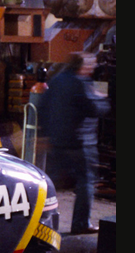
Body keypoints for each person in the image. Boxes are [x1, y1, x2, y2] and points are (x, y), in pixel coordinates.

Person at [37, 52, 110, 235]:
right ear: (83, 66)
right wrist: (101, 97)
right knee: (86, 181)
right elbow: (94, 109)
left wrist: (45, 134)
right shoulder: (81, 83)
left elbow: (42, 107)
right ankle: (81, 224)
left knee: (51, 183)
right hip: (80, 142)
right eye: (91, 65)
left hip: (57, 140)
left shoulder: (56, 80)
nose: (93, 68)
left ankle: (38, 222)